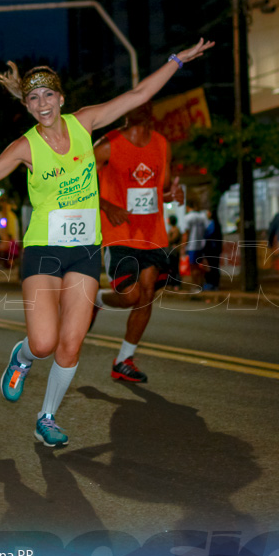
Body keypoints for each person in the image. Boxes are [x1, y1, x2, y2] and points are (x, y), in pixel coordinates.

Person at [0, 38, 214, 447]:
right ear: (27, 105)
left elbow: (139, 94)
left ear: (61, 97)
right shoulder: (25, 147)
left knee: (71, 345)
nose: (42, 104)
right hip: (44, 249)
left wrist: (177, 60)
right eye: (33, 98)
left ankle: (47, 416)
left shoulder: (85, 123)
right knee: (43, 343)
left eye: (48, 95)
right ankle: (20, 359)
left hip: (86, 249)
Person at [90, 101, 184, 383]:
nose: (139, 109)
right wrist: (107, 206)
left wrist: (171, 196)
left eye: (145, 104)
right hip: (119, 232)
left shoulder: (161, 143)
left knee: (145, 295)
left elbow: (158, 188)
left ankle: (124, 360)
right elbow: (81, 185)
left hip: (153, 233)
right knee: (130, 295)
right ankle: (96, 299)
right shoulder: (107, 145)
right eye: (133, 103)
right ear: (125, 111)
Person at [181, 202, 208, 291]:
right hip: (201, 245)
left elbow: (186, 233)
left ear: (188, 207)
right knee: (200, 267)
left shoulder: (188, 217)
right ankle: (201, 284)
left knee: (193, 267)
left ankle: (196, 286)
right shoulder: (202, 217)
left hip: (192, 246)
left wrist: (183, 246)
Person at [201, 205, 224, 291]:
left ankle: (211, 284)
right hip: (215, 250)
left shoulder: (212, 225)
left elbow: (207, 235)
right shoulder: (217, 224)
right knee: (215, 266)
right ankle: (215, 284)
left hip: (211, 250)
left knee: (210, 267)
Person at [166, 214, 183, 290]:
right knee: (171, 268)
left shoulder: (175, 229)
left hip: (174, 252)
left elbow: (172, 239)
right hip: (171, 251)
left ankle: (176, 283)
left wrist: (167, 238)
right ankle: (172, 283)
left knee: (175, 268)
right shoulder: (172, 229)